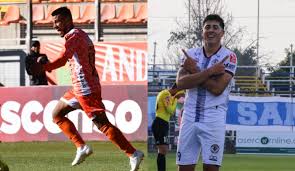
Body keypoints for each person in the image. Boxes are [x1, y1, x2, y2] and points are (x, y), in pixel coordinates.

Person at [35, 7, 144, 170]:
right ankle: (81, 147)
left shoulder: (74, 36)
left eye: (57, 21)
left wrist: (45, 67)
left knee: (103, 125)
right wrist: (46, 66)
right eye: (53, 22)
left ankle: (133, 153)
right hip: (79, 88)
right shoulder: (80, 34)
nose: (54, 26)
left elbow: (63, 59)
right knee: (57, 114)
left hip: (85, 88)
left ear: (67, 20)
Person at [176, 14, 237, 171]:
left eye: (215, 27)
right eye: (207, 27)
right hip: (189, 116)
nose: (211, 30)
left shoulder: (229, 56)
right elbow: (181, 83)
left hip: (213, 117)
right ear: (202, 32)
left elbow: (217, 89)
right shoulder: (190, 54)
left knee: (210, 167)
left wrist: (194, 72)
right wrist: (210, 72)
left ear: (222, 33)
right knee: (183, 168)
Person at [151, 83, 184, 171]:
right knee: (163, 150)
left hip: (161, 123)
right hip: (160, 123)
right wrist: (176, 99)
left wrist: (174, 98)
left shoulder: (165, 94)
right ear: (176, 90)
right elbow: (171, 110)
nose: (179, 96)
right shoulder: (166, 94)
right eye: (179, 93)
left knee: (162, 150)